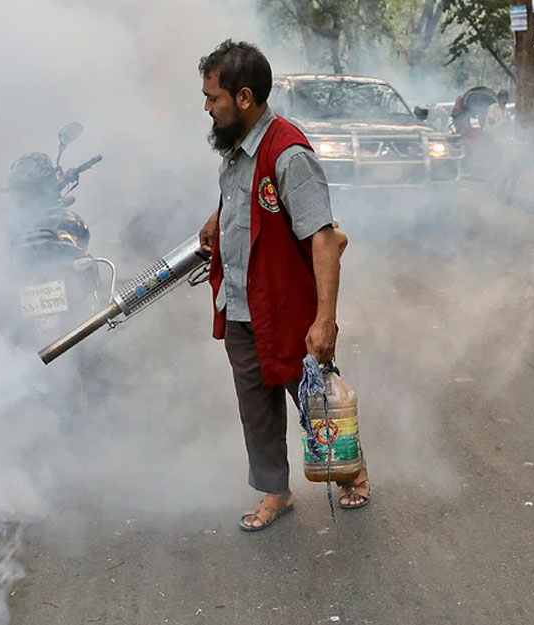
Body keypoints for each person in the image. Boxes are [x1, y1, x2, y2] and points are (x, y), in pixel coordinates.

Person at [195, 40, 368, 533]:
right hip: (241, 305)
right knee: (256, 407)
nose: (207, 107)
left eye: (214, 98)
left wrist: (325, 319)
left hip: (287, 310)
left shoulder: (289, 153)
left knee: (316, 401)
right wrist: (217, 216)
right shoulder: (234, 148)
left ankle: (353, 474)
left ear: (244, 97)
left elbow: (324, 238)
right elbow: (241, 194)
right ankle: (276, 491)